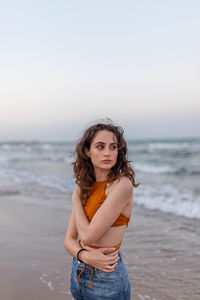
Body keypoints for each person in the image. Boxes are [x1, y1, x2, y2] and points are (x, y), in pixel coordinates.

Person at [64, 120, 140, 300]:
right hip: (79, 269)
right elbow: (68, 240)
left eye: (113, 147)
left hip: (106, 276)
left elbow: (89, 236)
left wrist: (75, 198)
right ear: (86, 151)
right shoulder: (86, 187)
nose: (108, 153)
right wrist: (84, 256)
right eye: (100, 146)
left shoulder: (122, 185)